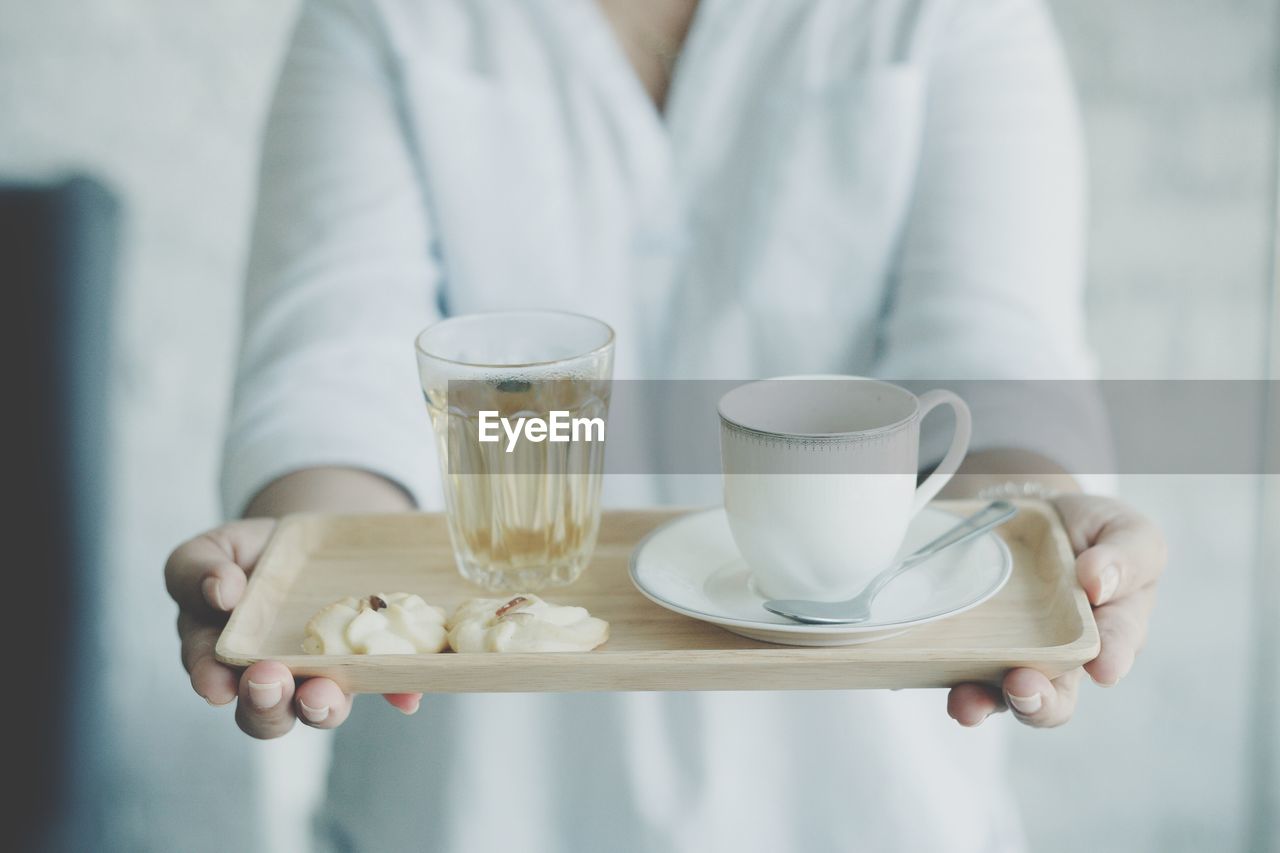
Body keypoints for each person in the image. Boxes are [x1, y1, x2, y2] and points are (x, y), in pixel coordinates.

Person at [165, 0, 1167, 849]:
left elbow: (997, 364)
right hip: (463, 808)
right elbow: (333, 371)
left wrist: (1041, 527)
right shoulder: (382, 16)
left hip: (872, 805)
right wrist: (307, 568)